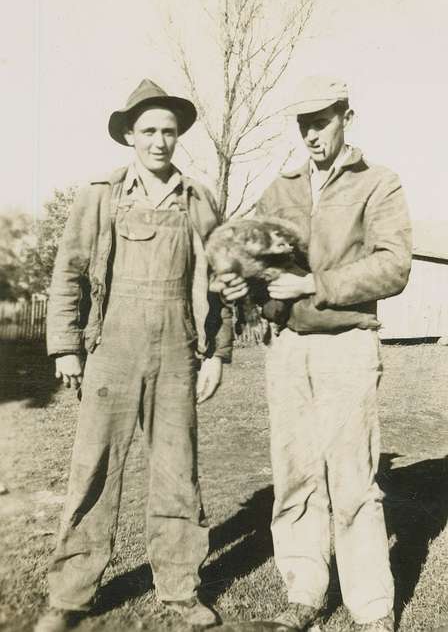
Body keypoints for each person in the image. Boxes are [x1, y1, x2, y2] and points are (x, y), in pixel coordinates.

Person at [35, 79, 233, 632]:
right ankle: (70, 593)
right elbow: (69, 272)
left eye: (169, 131)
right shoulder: (101, 194)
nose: (159, 142)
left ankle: (179, 588)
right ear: (129, 135)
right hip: (111, 346)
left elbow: (219, 281)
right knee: (93, 469)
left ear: (179, 137)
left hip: (178, 349)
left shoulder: (197, 200)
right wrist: (66, 347)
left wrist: (217, 353)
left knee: (177, 471)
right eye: (148, 131)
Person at [218, 76, 412, 631]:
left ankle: (371, 607)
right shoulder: (279, 189)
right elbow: (254, 262)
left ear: (347, 117)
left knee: (352, 479)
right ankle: (304, 591)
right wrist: (243, 286)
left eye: (320, 120)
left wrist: (313, 285)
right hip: (287, 351)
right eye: (302, 123)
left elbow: (394, 265)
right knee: (295, 475)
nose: (310, 134)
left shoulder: (378, 183)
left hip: (347, 346)